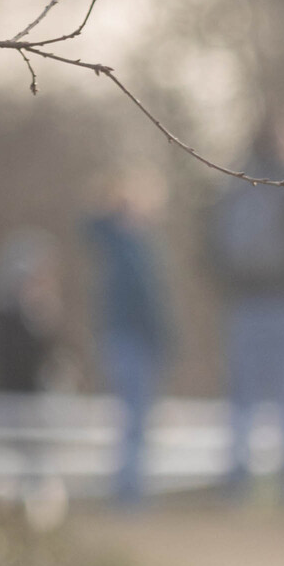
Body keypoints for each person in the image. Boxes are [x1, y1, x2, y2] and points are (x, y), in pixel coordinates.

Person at [205, 105, 284, 497]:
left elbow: (211, 242)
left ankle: (236, 484)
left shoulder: (236, 180)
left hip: (243, 302)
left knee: (242, 396)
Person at [80, 165, 174, 505]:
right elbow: (90, 224)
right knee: (131, 417)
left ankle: (132, 489)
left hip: (142, 341)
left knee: (139, 418)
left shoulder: (143, 245)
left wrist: (164, 339)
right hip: (125, 339)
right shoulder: (118, 242)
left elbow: (156, 302)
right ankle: (128, 492)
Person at [0, 229, 66, 395]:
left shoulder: (43, 313)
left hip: (35, 398)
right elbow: (9, 365)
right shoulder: (3, 317)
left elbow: (51, 360)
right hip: (11, 397)